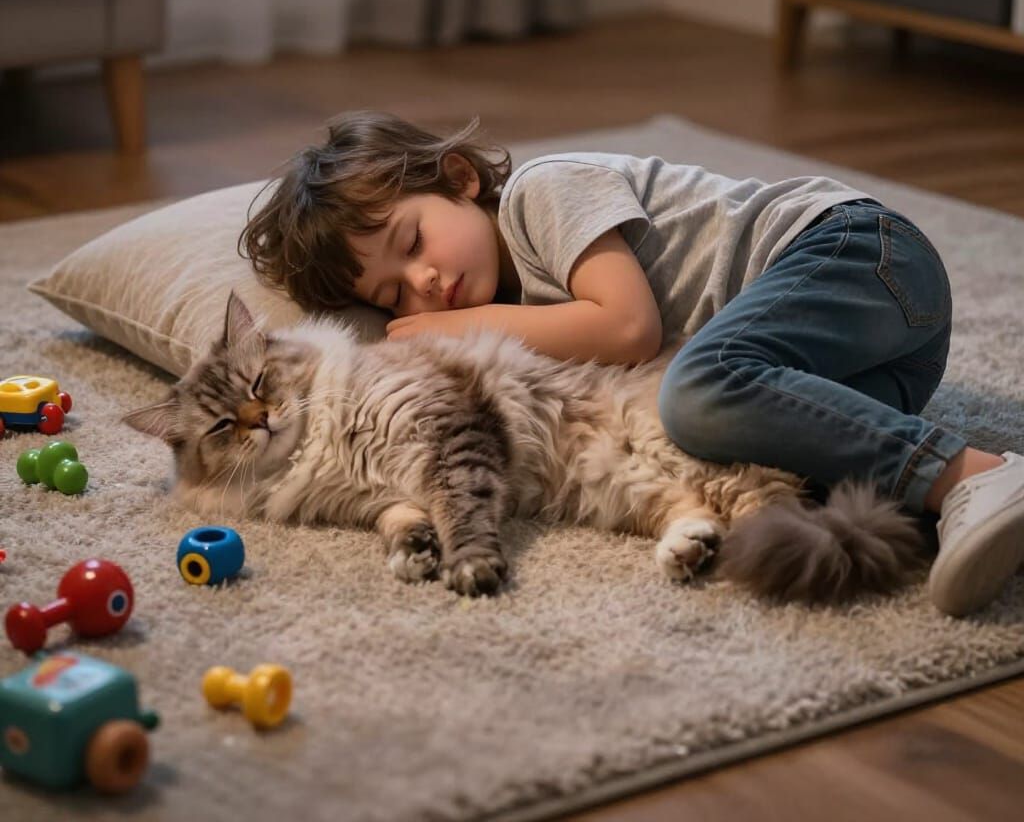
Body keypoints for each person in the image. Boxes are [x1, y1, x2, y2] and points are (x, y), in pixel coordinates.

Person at [241, 110, 1024, 617]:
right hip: (867, 362)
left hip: (857, 256)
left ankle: (976, 473)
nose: (424, 286)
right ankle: (948, 501)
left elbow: (625, 328)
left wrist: (450, 327)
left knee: (696, 394)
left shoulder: (540, 198)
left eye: (412, 244)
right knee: (759, 465)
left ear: (459, 179)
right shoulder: (503, 297)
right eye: (390, 294)